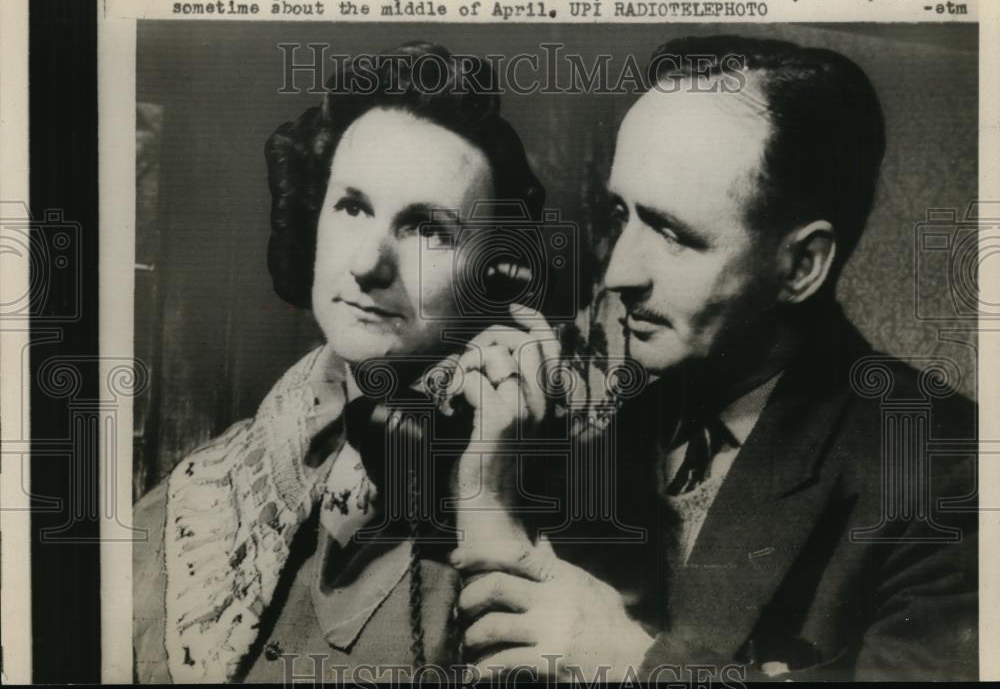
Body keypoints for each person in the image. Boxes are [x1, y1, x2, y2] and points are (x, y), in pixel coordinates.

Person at [451, 36, 978, 681]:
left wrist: (633, 665)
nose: (619, 272)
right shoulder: (594, 429)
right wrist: (490, 492)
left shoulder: (946, 471)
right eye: (623, 214)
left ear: (801, 265)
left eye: (674, 235)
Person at [132, 41, 552, 683]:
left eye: (427, 229)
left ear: (493, 269)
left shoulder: (559, 500)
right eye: (352, 207)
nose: (366, 264)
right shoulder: (199, 496)